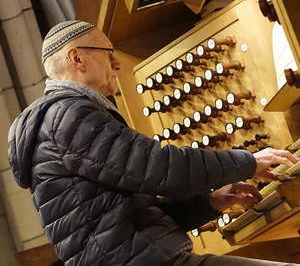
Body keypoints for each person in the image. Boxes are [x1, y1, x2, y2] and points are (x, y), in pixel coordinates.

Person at [8, 20, 300, 266]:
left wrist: (210, 201)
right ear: (77, 58)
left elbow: (131, 221)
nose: (117, 63)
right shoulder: (67, 115)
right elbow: (158, 166)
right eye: (108, 53)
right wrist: (246, 162)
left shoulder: (63, 118)